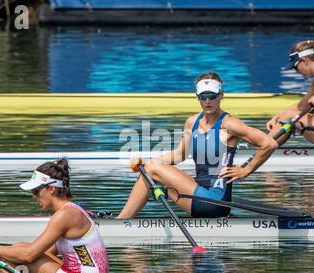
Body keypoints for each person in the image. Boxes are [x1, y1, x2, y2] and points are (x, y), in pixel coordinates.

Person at [116, 72, 278, 219]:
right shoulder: (192, 122)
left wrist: (245, 170)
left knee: (152, 168)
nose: (208, 101)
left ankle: (121, 222)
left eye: (212, 96)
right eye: (203, 96)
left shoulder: (229, 124)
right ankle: (124, 220)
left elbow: (269, 143)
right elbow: (179, 154)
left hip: (216, 202)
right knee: (148, 171)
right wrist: (146, 162)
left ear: (221, 95)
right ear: (197, 97)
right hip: (199, 195)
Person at [0, 158, 109, 273]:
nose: (33, 197)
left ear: (51, 189)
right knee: (18, 248)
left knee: (19, 254)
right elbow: (42, 253)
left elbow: (29, 255)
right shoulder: (73, 210)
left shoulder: (65, 216)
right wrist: (12, 257)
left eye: (36, 191)